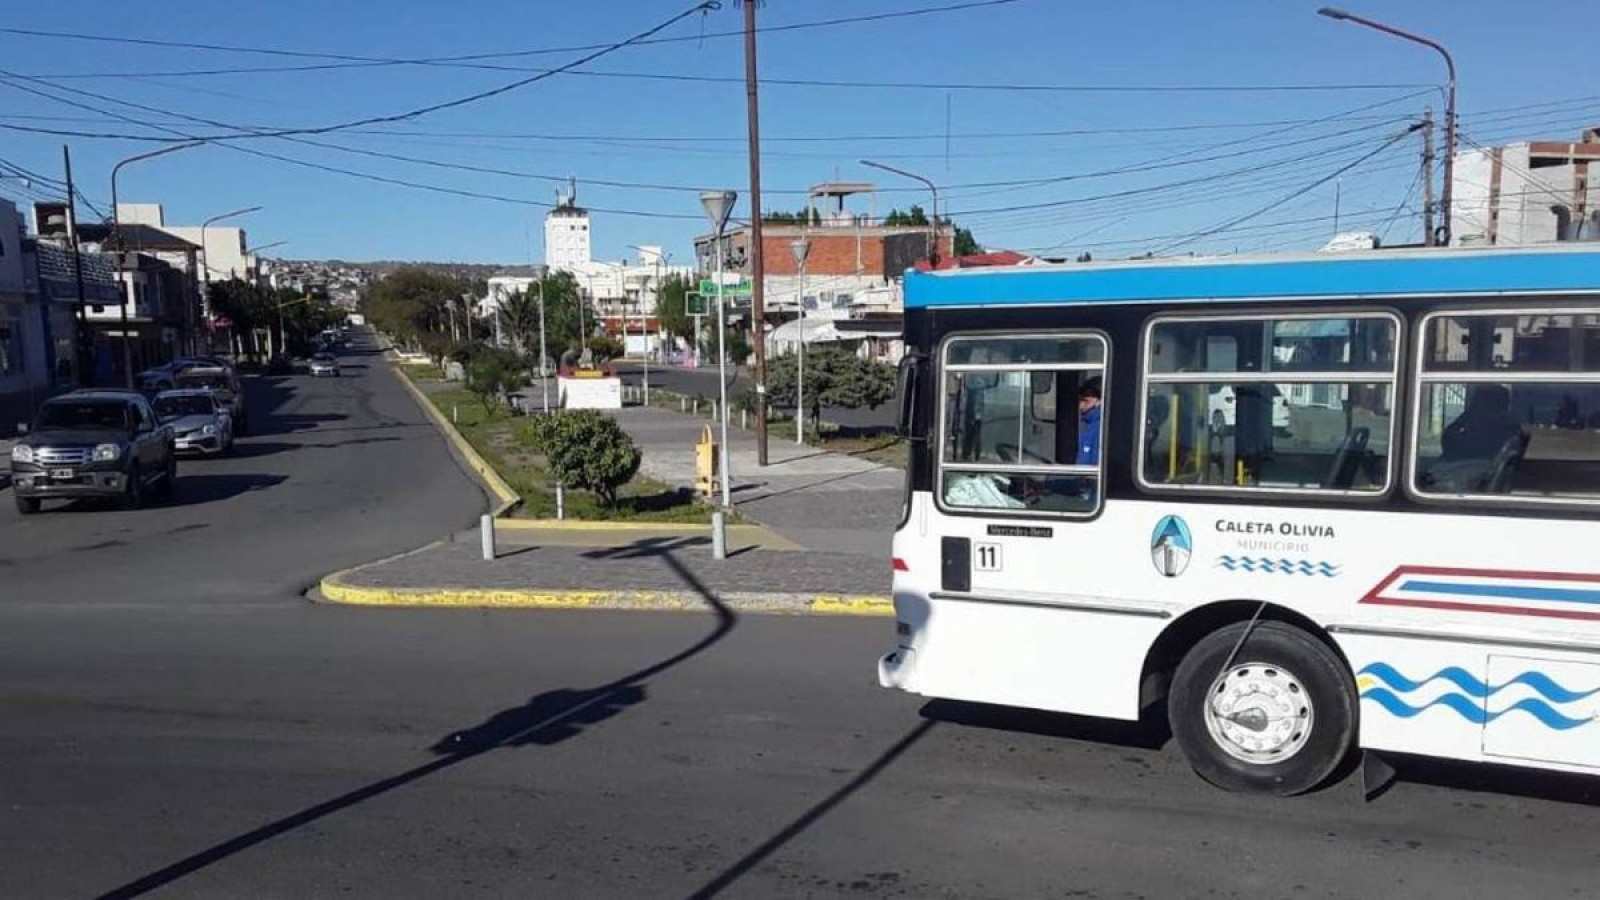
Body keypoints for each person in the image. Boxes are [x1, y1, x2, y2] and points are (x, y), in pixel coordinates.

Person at [1076, 377, 1103, 465]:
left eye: (1086, 401)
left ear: (1100, 401)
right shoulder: (1090, 427)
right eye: (1080, 401)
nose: (1081, 406)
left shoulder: (1101, 428)